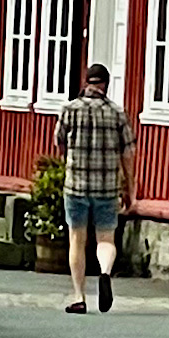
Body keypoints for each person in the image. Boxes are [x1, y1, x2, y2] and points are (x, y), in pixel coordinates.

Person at [53, 62, 135, 314]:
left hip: (76, 185)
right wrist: (129, 186)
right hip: (107, 187)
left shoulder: (69, 110)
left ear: (87, 82)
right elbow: (128, 152)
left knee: (77, 240)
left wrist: (69, 161)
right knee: (106, 239)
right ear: (106, 85)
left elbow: (59, 142)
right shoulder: (117, 113)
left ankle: (79, 296)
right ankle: (105, 272)